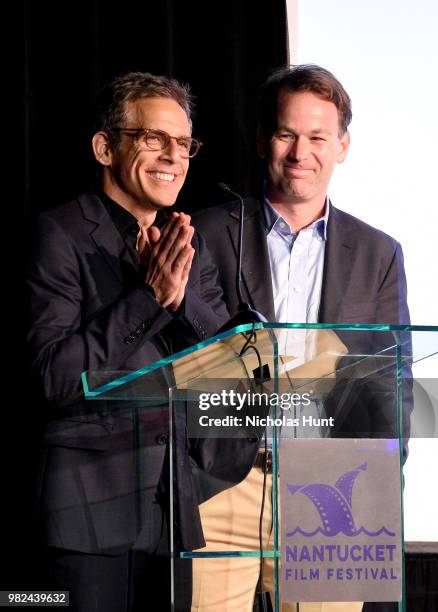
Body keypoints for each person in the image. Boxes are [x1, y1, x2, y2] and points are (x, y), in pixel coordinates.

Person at [193, 65, 410, 612]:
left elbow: (391, 379)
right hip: (223, 484)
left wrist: (381, 475)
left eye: (317, 137)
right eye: (287, 134)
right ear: (265, 138)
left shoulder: (379, 252)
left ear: (342, 146)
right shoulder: (206, 232)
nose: (300, 152)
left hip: (334, 488)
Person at [26, 71, 228, 612]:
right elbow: (55, 377)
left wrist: (181, 301)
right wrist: (148, 298)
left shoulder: (189, 245)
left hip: (171, 518)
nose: (173, 156)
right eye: (153, 138)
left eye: (184, 143)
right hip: (85, 521)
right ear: (104, 147)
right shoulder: (58, 234)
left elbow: (229, 362)